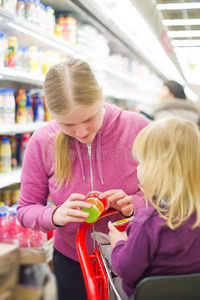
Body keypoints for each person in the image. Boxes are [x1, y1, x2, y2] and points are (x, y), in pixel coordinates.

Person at [17, 58, 149, 300]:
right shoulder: (42, 141)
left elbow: (167, 197)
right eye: (67, 124)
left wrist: (134, 205)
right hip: (72, 260)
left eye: (89, 119)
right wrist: (55, 215)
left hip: (136, 253)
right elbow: (25, 210)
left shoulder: (138, 128)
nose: (81, 133)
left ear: (100, 96)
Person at [108, 118, 200, 298]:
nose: (137, 167)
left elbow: (126, 270)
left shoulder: (147, 223)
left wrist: (119, 243)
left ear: (158, 170)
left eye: (141, 162)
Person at [133, 80, 200, 123]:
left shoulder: (163, 116)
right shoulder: (194, 114)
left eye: (163, 91)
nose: (160, 95)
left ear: (171, 96)